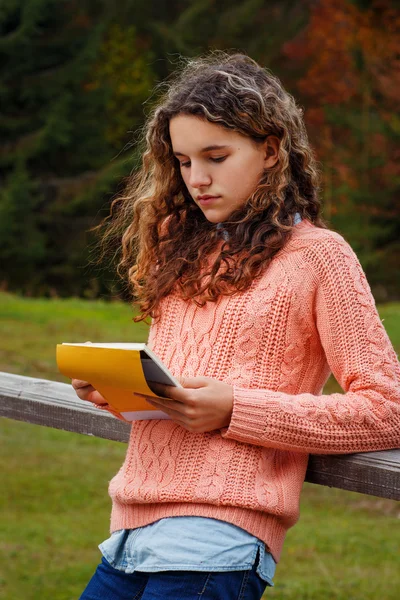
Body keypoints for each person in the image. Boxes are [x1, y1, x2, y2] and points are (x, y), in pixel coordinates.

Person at [73, 51, 400, 600]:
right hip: (128, 533)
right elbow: (185, 390)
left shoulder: (321, 257)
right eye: (182, 161)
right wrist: (118, 386)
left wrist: (235, 409)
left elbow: (388, 408)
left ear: (271, 150)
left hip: (216, 546)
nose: (197, 179)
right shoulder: (178, 249)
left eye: (216, 156)